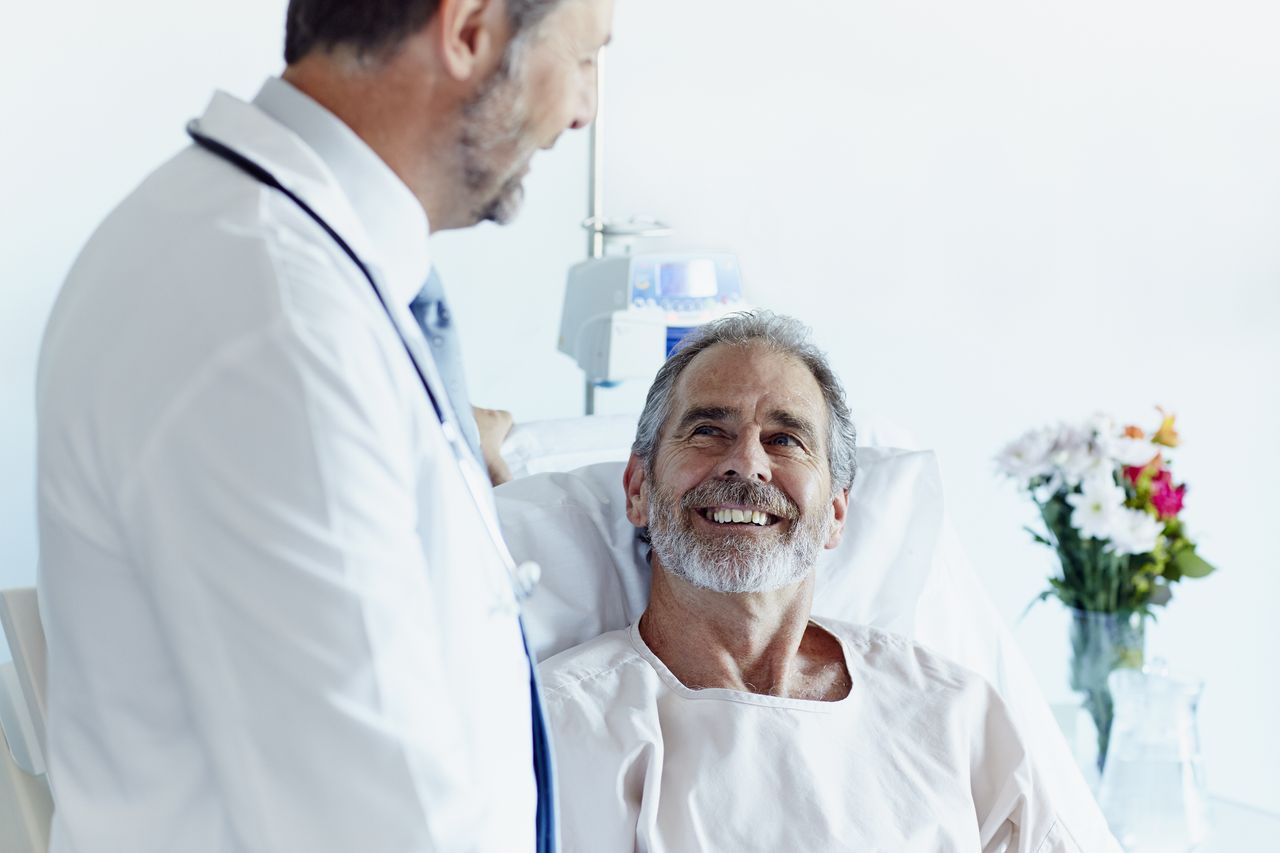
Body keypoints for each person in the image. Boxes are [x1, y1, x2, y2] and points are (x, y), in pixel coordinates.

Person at [35, 1, 613, 851]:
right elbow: (378, 824)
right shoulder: (272, 321)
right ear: (468, 31)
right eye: (587, 58)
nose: (584, 109)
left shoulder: (279, 260)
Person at [539, 312, 1123, 852]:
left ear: (837, 513)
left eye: (785, 439)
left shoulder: (952, 713)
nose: (747, 463)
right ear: (638, 488)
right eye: (708, 430)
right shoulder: (565, 721)